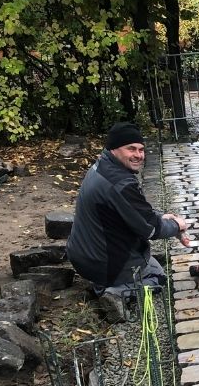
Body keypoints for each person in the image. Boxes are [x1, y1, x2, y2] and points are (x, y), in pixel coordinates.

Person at [67, 122, 188, 311]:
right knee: (158, 277)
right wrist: (176, 226)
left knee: (151, 262)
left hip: (83, 254)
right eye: (131, 149)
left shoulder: (103, 166)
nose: (138, 155)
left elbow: (134, 211)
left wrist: (161, 216)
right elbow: (150, 229)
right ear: (115, 148)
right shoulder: (120, 182)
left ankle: (108, 282)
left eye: (141, 149)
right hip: (102, 262)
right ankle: (113, 293)